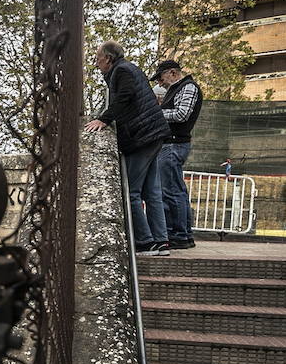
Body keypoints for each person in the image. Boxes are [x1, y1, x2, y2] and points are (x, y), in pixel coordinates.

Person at [84, 41, 172, 255]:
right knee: (152, 192)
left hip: (142, 136)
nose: (96, 64)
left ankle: (145, 241)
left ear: (108, 58)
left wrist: (103, 120)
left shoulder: (121, 70)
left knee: (131, 192)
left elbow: (125, 97)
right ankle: (160, 241)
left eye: (98, 59)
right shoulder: (128, 68)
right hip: (153, 134)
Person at [152, 59, 203, 250]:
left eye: (161, 77)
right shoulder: (179, 88)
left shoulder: (188, 87)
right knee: (176, 190)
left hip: (174, 145)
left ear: (173, 73)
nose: (160, 82)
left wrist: (156, 112)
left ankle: (178, 234)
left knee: (171, 191)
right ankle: (183, 234)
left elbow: (182, 114)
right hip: (172, 145)